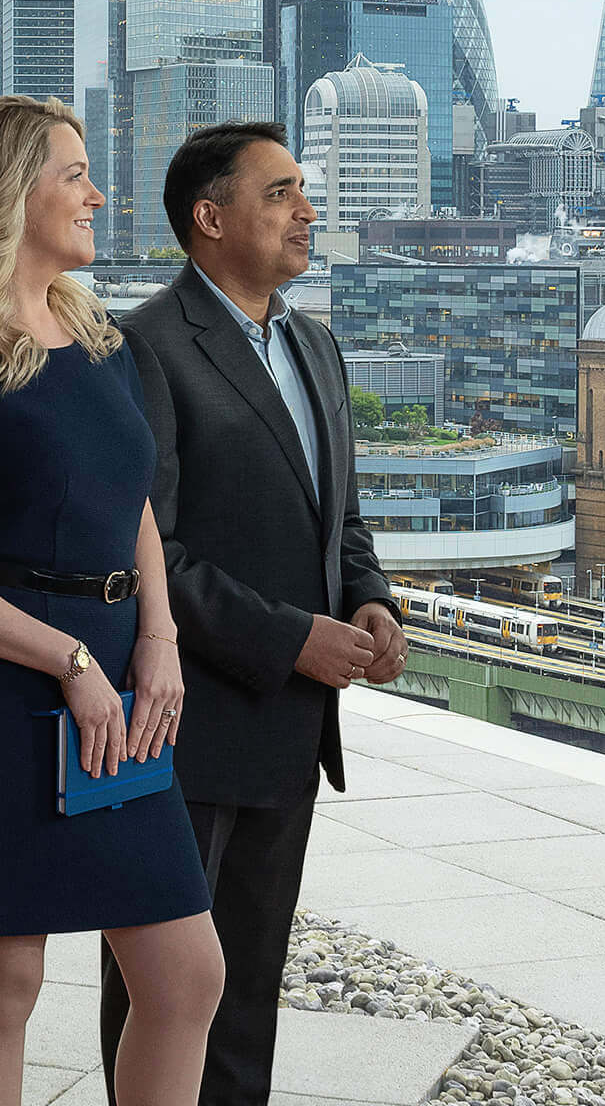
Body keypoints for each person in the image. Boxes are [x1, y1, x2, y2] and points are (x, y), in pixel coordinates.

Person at [0, 95, 223, 1106]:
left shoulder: (103, 339)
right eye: (72, 176)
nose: (97, 194)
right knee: (2, 982)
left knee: (187, 976)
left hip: (119, 674)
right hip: (2, 683)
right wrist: (70, 660)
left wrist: (160, 635)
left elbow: (127, 494)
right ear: (11, 192)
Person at [103, 120, 406, 1106]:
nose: (307, 211)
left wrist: (370, 597)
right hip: (185, 729)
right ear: (210, 217)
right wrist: (291, 640)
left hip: (288, 732)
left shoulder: (315, 345)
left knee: (248, 999)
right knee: (163, 995)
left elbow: (339, 517)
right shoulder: (145, 348)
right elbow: (153, 552)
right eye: (279, 194)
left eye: (302, 191)